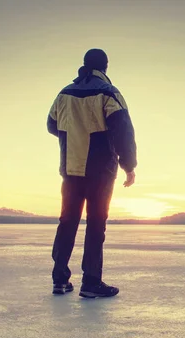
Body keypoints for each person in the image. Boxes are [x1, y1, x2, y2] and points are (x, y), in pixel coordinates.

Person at [47, 48, 137, 298]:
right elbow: (123, 131)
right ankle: (91, 282)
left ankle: (59, 279)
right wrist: (129, 165)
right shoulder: (108, 92)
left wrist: (73, 136)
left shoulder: (64, 93)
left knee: (67, 222)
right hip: (99, 171)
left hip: (71, 169)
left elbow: (51, 124)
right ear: (105, 67)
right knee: (96, 224)